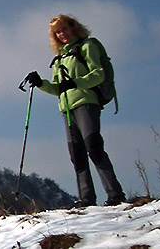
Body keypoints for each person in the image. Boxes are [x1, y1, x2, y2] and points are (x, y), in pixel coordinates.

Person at [24, 14, 126, 208]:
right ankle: (86, 199)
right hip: (67, 109)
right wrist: (40, 83)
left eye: (64, 29)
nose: (62, 34)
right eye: (58, 32)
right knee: (77, 154)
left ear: (73, 27)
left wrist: (75, 83)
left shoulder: (87, 46)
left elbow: (98, 74)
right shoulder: (61, 57)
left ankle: (115, 194)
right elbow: (58, 88)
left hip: (87, 103)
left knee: (94, 146)